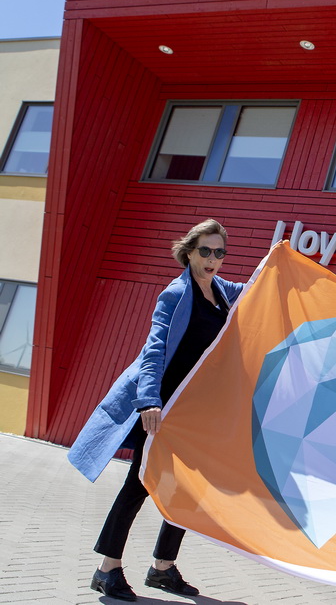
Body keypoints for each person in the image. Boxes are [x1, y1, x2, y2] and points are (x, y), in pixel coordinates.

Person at [67, 219, 245, 602]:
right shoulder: (176, 294)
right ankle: (106, 569)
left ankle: (162, 568)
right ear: (190, 251)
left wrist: (280, 262)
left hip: (193, 411)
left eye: (220, 252)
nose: (213, 259)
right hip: (163, 408)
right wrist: (149, 400)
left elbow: (258, 288)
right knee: (139, 484)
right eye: (205, 251)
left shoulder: (221, 291)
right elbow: (154, 350)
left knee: (185, 490)